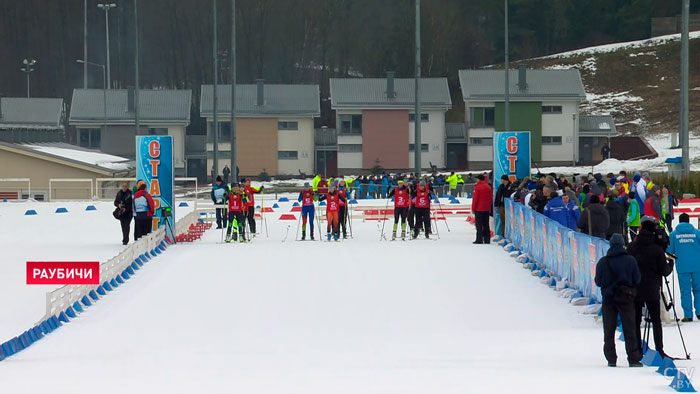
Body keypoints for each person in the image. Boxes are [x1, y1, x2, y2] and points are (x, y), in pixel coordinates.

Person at [628, 217, 674, 359]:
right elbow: (664, 271)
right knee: (656, 320)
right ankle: (659, 349)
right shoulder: (656, 249)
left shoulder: (632, 247)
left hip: (635, 288)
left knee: (635, 320)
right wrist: (670, 264)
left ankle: (637, 350)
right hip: (652, 289)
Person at [595, 233, 643, 367]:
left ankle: (611, 359)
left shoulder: (603, 262)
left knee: (608, 330)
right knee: (629, 328)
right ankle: (633, 358)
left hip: (608, 300)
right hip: (626, 299)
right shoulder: (630, 260)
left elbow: (598, 281)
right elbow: (637, 279)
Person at [667, 213, 700, 321]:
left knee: (685, 291)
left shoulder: (673, 235)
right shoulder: (697, 233)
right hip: (697, 266)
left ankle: (688, 315)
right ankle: (699, 312)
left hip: (682, 267)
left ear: (680, 221)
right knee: (698, 290)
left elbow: (669, 251)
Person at [472, 174, 492, 244]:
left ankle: (479, 239)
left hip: (479, 208)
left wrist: (473, 208)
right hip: (486, 208)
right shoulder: (488, 187)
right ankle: (487, 239)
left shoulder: (477, 187)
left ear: (479, 179)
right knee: (486, 224)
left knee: (479, 225)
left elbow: (475, 199)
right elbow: (490, 198)